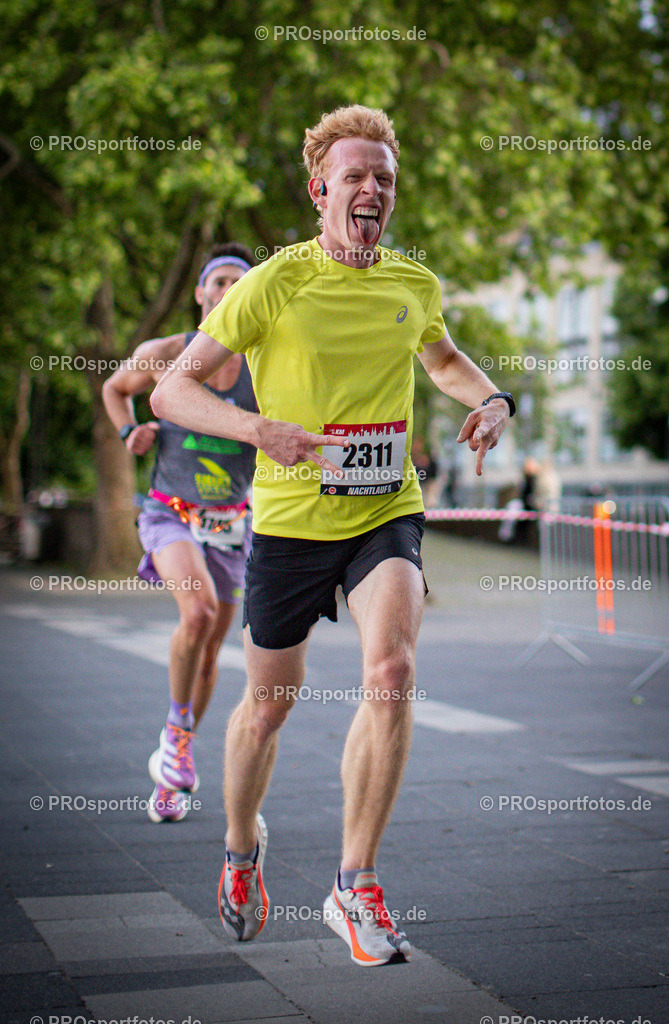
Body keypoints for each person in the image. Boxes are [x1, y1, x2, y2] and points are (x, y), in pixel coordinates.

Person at [150, 106, 514, 965]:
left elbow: (442, 356)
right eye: (354, 175)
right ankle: (240, 850)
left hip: (386, 507)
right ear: (320, 189)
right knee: (266, 706)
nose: (371, 188)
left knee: (391, 671)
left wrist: (491, 399)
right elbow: (171, 391)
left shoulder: (411, 283)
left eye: (383, 177)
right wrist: (256, 432)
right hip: (286, 521)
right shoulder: (273, 282)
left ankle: (353, 885)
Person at [102, 243, 258, 823]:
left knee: (210, 653)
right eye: (217, 282)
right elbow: (114, 389)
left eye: (238, 283)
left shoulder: (266, 371)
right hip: (170, 512)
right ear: (200, 294)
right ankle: (173, 733)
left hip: (230, 524)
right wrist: (128, 433)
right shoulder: (168, 353)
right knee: (195, 617)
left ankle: (176, 756)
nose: (226, 291)